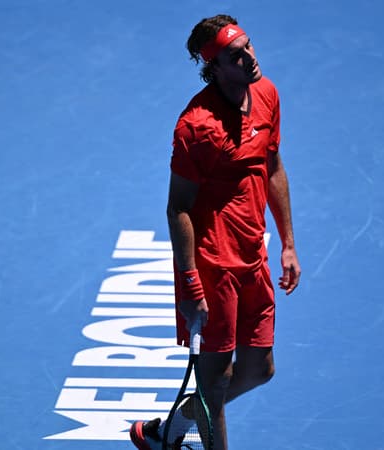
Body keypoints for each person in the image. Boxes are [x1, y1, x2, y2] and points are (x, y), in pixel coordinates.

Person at [130, 14, 301, 450]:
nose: (249, 58)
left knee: (260, 369)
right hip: (212, 265)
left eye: (248, 46)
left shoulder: (267, 94)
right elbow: (178, 208)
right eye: (234, 55)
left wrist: (288, 245)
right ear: (215, 67)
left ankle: (170, 428)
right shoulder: (195, 127)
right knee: (217, 378)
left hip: (254, 255)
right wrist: (190, 283)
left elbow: (274, 167)